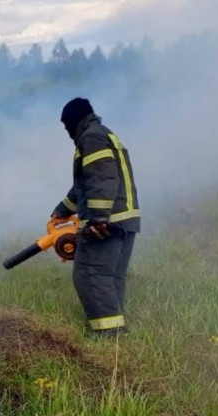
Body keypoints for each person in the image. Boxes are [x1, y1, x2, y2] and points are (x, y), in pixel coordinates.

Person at [51, 98, 140, 337]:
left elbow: (102, 179)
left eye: (66, 125)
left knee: (90, 273)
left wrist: (99, 219)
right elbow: (85, 185)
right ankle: (116, 329)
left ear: (75, 120)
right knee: (110, 276)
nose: (67, 131)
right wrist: (63, 209)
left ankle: (107, 336)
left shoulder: (90, 138)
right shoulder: (104, 134)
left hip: (109, 220)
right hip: (126, 219)